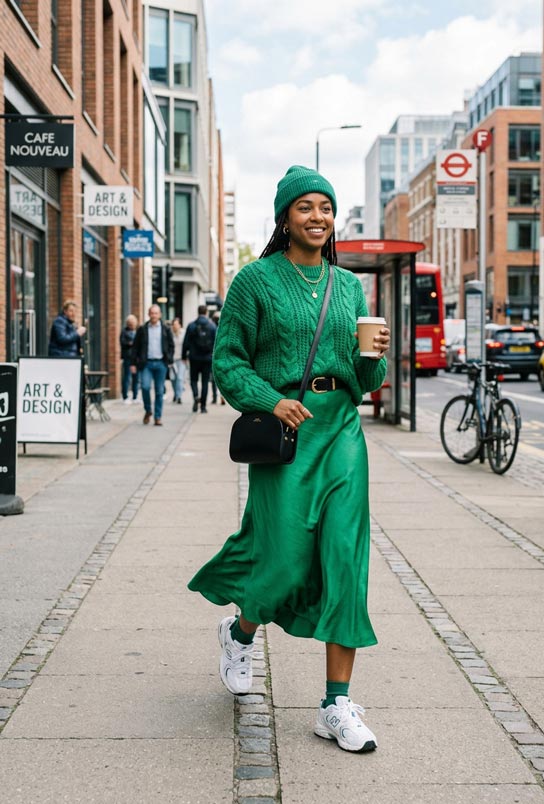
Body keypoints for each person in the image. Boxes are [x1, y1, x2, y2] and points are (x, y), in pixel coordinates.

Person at [187, 165, 390, 753]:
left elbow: (365, 377)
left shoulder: (349, 287)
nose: (319, 217)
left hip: (342, 432)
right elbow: (229, 362)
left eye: (326, 207)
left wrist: (373, 357)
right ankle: (240, 631)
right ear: (284, 216)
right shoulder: (255, 282)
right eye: (306, 206)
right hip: (286, 435)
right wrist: (270, 401)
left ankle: (336, 704)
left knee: (346, 563)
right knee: (282, 562)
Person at [130, 304, 174, 426]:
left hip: (161, 363)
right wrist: (133, 363)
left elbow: (171, 345)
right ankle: (148, 410)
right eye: (152, 313)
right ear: (148, 314)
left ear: (159, 315)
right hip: (146, 364)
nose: (154, 315)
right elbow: (135, 348)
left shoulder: (165, 329)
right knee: (145, 387)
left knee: (160, 391)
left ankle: (157, 417)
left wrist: (169, 359)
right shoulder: (142, 329)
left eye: (156, 313)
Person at [182, 304, 217, 413]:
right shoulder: (212, 326)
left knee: (193, 379)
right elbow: (216, 343)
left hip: (194, 357)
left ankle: (196, 395)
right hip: (207, 358)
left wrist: (184, 355)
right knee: (205, 382)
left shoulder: (191, 325)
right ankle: (203, 406)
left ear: (198, 312)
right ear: (206, 312)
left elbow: (186, 342)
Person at [119, 314, 139, 403]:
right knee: (127, 377)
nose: (131, 325)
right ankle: (125, 396)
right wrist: (130, 343)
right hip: (127, 357)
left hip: (136, 358)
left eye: (133, 323)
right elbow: (122, 342)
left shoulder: (138, 332)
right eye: (130, 323)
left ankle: (135, 396)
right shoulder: (124, 332)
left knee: (136, 377)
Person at [209, 310, 224, 405]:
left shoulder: (211, 327)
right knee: (222, 378)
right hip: (222, 357)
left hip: (213, 356)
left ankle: (215, 397)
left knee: (214, 379)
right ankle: (221, 396)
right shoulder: (223, 328)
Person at [170, 317, 186, 403]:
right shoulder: (170, 334)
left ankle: (179, 396)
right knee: (173, 378)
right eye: (173, 325)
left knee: (179, 378)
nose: (174, 326)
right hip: (172, 359)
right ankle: (176, 393)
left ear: (180, 325)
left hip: (181, 359)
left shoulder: (184, 334)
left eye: (176, 324)